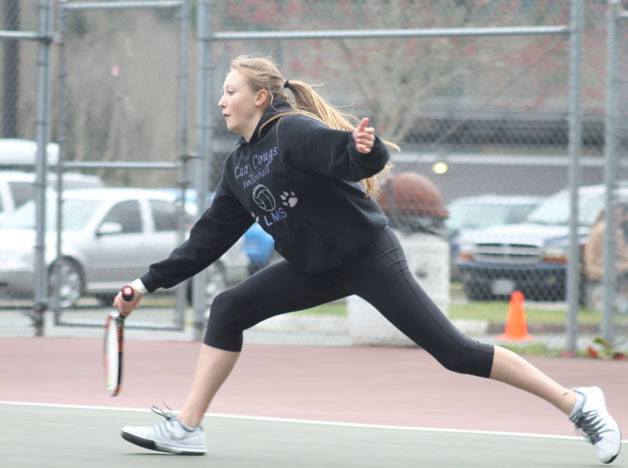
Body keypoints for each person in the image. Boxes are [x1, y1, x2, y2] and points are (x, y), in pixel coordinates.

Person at [114, 55, 621, 464]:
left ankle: (578, 405)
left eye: (230, 91)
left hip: (368, 256)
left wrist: (366, 150)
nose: (222, 100)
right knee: (228, 308)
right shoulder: (238, 167)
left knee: (456, 354)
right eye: (223, 92)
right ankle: (188, 427)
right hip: (316, 268)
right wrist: (146, 283)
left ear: (260, 98)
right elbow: (206, 240)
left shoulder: (293, 131)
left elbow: (349, 157)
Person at [584, 204, 628, 313]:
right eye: (620, 215)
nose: (623, 219)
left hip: (603, 268)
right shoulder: (607, 229)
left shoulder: (603, 227)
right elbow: (621, 254)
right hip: (600, 269)